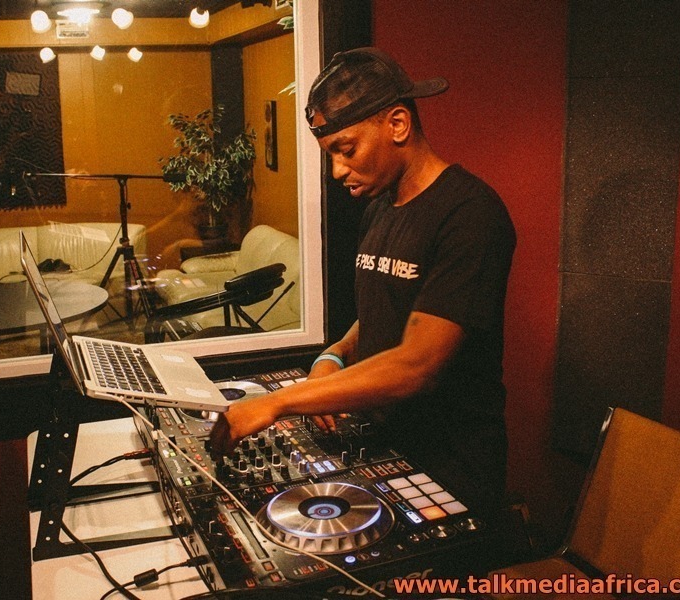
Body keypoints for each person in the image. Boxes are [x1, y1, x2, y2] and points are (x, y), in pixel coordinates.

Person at [209, 48, 516, 511]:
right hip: (384, 443)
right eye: (330, 154)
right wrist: (335, 354)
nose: (337, 170)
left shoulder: (470, 214)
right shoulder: (379, 209)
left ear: (397, 124)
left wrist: (279, 402)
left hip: (450, 466)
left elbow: (417, 364)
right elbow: (387, 307)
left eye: (346, 150)